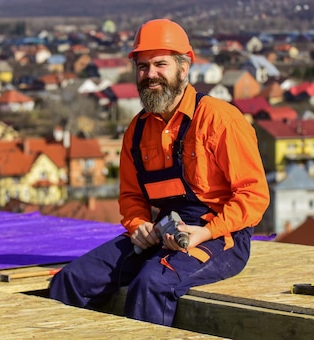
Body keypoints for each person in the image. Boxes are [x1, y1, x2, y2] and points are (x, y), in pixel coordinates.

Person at [49, 18, 270, 326]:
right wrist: (139, 224)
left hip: (221, 235)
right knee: (72, 280)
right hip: (162, 232)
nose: (150, 75)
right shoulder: (137, 132)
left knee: (151, 285)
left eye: (160, 64)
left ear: (184, 66)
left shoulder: (220, 121)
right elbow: (130, 195)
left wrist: (203, 233)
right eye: (142, 67)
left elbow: (254, 196)